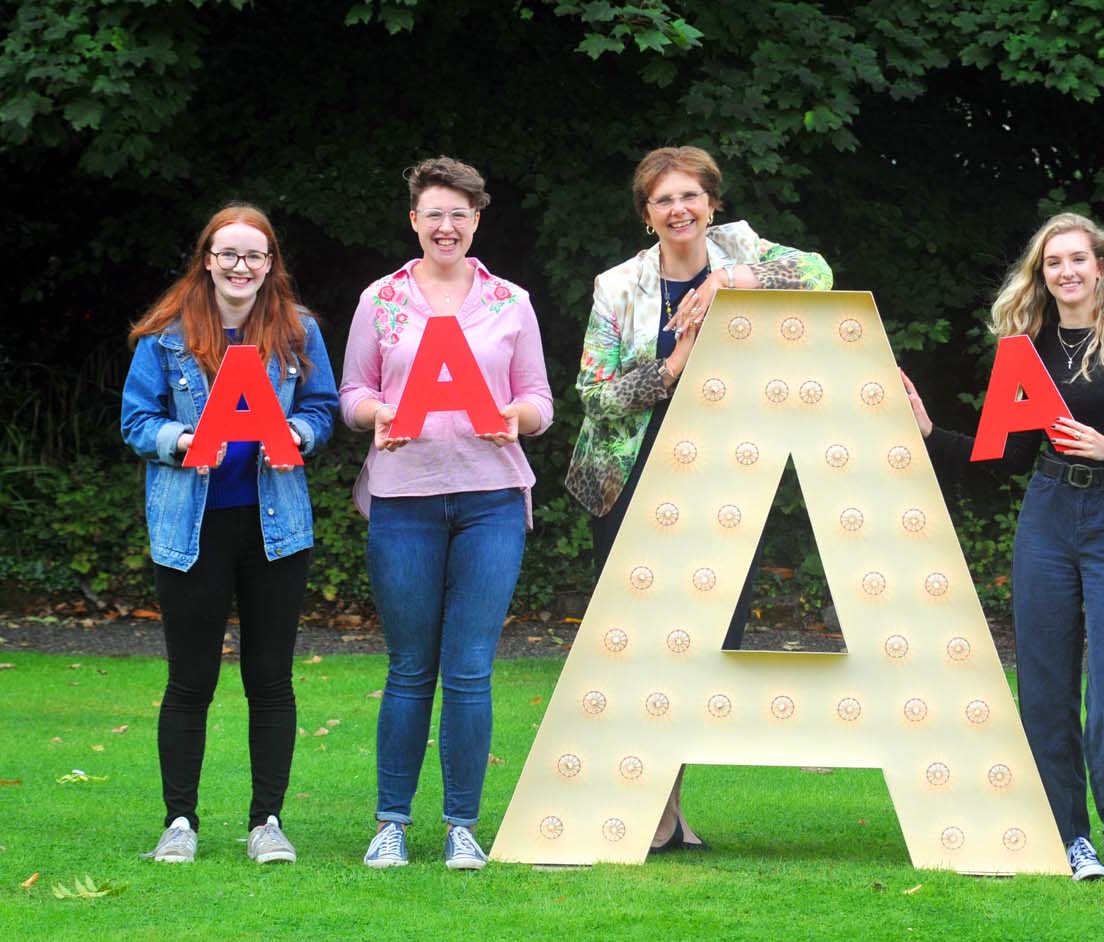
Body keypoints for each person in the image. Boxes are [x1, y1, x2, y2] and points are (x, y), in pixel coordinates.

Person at [563, 145, 832, 851]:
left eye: (690, 196)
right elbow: (593, 394)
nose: (678, 210)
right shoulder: (619, 286)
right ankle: (648, 811)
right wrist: (672, 366)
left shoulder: (745, 251)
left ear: (712, 202)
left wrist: (730, 279)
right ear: (646, 214)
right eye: (663, 200)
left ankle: (666, 804)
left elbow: (819, 274)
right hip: (632, 477)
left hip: (724, 473)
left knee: (709, 643)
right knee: (639, 647)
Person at [903, 213, 1104, 882]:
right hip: (1047, 517)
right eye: (1054, 263)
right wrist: (931, 430)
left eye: (1078, 259)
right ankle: (1070, 838)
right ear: (1042, 275)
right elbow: (1008, 455)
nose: (1067, 271)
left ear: (1101, 268)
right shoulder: (1025, 350)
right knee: (1046, 694)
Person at [340, 156, 553, 870]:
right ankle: (391, 824)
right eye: (433, 213)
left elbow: (540, 402)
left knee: (469, 670)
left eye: (459, 213)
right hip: (403, 501)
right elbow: (352, 396)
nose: (446, 225)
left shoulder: (509, 301)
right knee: (408, 669)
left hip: (491, 500)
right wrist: (381, 412)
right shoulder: (381, 299)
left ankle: (463, 824)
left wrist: (513, 417)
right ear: (414, 221)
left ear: (476, 222)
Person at [121, 204, 338, 865]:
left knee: (270, 680)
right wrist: (184, 438)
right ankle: (180, 822)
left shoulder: (298, 331)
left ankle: (266, 822)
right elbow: (136, 422)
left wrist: (297, 435)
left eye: (255, 255)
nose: (242, 267)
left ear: (271, 265)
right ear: (207, 259)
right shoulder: (164, 337)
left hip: (275, 528)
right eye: (229, 254)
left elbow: (321, 410)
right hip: (191, 526)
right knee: (190, 681)